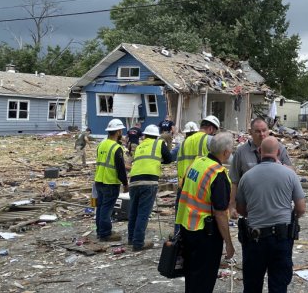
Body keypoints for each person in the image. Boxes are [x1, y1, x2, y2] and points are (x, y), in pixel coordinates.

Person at [235, 136, 306, 293]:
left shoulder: (246, 177)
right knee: (279, 285)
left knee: (252, 285)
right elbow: (301, 208)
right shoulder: (290, 175)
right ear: (279, 152)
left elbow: (240, 209)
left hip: (255, 238)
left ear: (260, 151)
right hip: (281, 239)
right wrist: (290, 215)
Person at [176, 132, 235, 293]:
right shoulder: (217, 173)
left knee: (192, 273)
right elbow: (221, 213)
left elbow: (183, 188)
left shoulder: (197, 162)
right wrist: (228, 243)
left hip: (187, 226)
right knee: (204, 278)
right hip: (205, 233)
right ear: (225, 152)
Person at [228, 117, 294, 218]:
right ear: (250, 132)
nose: (262, 134)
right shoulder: (241, 152)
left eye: (264, 130)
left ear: (269, 130)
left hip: (276, 206)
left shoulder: (279, 148)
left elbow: (292, 173)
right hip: (250, 207)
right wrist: (232, 206)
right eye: (258, 131)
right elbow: (235, 181)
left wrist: (279, 164)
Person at [127, 124, 171, 252]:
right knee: (143, 213)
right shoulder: (159, 144)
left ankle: (131, 239)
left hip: (134, 180)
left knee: (134, 211)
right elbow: (168, 158)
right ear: (157, 136)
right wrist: (159, 160)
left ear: (145, 135)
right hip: (149, 181)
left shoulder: (140, 146)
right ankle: (138, 243)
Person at [94, 119, 129, 242]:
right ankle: (105, 234)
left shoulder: (101, 144)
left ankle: (100, 231)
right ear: (118, 131)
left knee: (101, 207)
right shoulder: (116, 148)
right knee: (106, 209)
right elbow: (120, 168)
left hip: (99, 180)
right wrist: (125, 183)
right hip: (110, 181)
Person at [176, 115, 220, 182]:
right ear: (211, 129)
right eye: (214, 132)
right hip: (198, 183)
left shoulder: (183, 142)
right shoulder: (209, 139)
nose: (214, 135)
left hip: (182, 183)